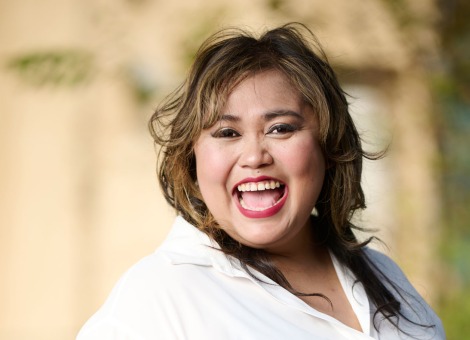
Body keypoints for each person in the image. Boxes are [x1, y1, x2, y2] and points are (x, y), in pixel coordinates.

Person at [77, 23, 445, 339]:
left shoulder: (383, 275)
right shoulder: (158, 297)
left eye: (280, 128)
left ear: (329, 145)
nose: (254, 157)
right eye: (226, 133)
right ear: (192, 157)